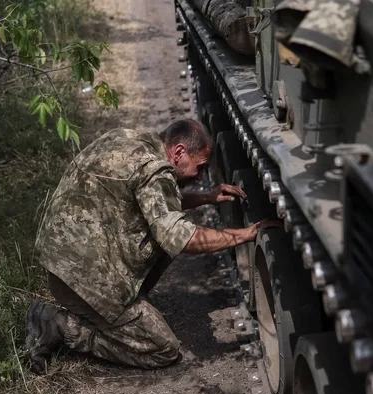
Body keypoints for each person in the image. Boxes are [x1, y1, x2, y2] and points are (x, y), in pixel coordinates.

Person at [25, 119, 279, 373]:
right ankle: (56, 324)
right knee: (162, 348)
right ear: (179, 152)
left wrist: (206, 197)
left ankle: (119, 313)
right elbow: (180, 237)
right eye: (199, 167)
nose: (200, 176)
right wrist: (246, 234)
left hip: (63, 258)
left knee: (163, 229)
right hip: (80, 279)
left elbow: (156, 202)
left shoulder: (131, 139)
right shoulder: (154, 169)